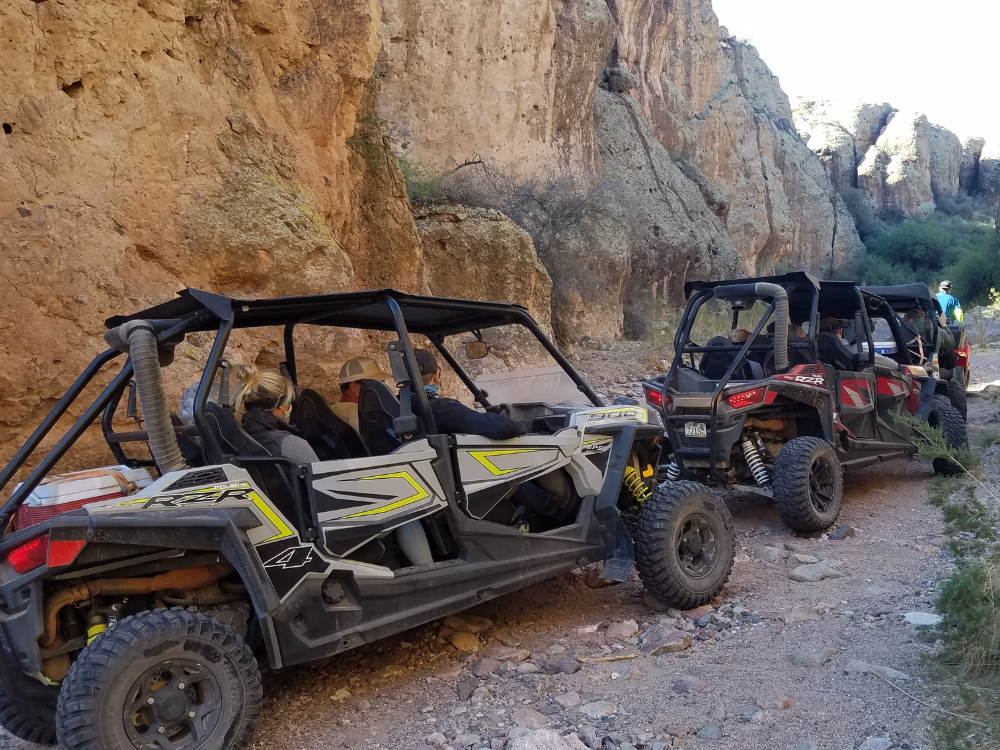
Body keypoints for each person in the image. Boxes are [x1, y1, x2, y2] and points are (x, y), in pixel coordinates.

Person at [412, 349, 527, 440]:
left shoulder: (398, 407)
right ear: (436, 375)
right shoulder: (441, 409)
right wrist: (521, 426)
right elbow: (501, 427)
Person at [233, 363, 320, 465]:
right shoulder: (291, 444)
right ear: (281, 407)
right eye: (288, 403)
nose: (290, 408)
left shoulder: (239, 438)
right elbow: (322, 479)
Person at [332, 357, 393, 432]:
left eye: (382, 383)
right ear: (354, 387)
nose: (380, 388)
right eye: (374, 384)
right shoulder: (368, 414)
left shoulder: (330, 410)